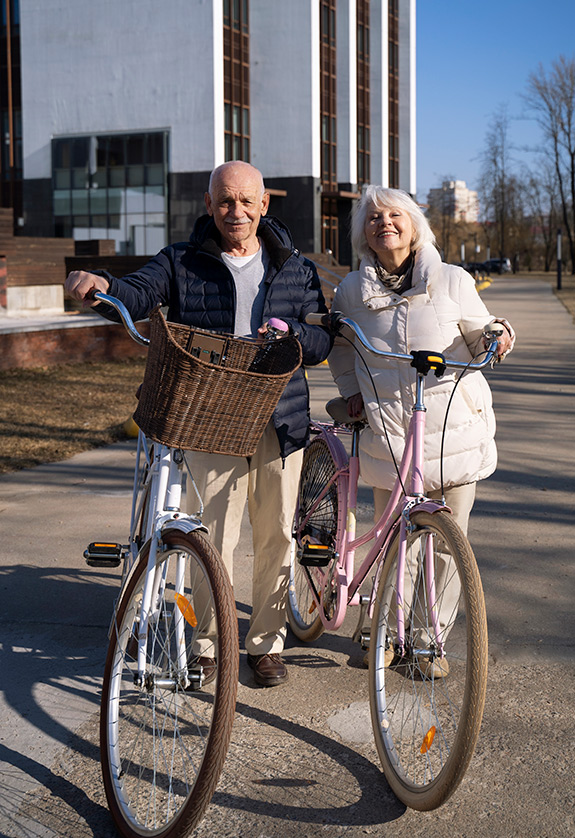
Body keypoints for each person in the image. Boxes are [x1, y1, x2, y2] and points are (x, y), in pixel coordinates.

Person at [64, 161, 331, 687]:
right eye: (225, 201)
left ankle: (266, 645)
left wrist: (294, 335)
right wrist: (101, 286)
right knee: (213, 537)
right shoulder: (180, 261)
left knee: (277, 532)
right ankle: (209, 643)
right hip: (210, 414)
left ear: (263, 206)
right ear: (208, 205)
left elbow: (321, 340)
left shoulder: (296, 269)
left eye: (245, 201)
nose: (236, 211)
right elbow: (137, 293)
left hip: (280, 416)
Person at [328, 186, 515, 677]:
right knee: (394, 542)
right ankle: (385, 632)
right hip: (391, 433)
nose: (383, 223)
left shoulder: (452, 281)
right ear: (362, 232)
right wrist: (350, 390)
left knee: (451, 543)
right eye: (372, 217)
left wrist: (496, 337)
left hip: (454, 430)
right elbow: (342, 351)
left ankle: (430, 639)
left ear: (414, 225)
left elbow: (481, 333)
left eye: (394, 214)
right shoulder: (350, 290)